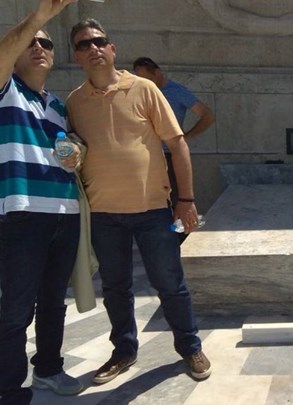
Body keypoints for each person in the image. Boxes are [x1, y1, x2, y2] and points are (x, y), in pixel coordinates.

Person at [65, 18, 211, 385]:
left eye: (99, 41)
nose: (93, 48)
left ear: (112, 49)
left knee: (170, 283)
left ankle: (190, 347)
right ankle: (124, 351)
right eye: (83, 44)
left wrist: (186, 200)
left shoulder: (144, 89)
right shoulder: (74, 102)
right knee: (115, 289)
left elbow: (177, 144)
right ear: (76, 56)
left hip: (153, 211)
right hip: (103, 215)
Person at [0, 1, 84, 403]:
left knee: (54, 302)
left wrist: (76, 154)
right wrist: (40, 17)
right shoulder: (6, 91)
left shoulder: (59, 106)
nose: (38, 47)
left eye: (46, 43)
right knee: (16, 308)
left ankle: (49, 369)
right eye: (30, 42)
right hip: (22, 216)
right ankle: (8, 388)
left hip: (65, 214)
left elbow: (69, 153)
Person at [132, 57, 215, 209]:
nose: (144, 84)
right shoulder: (140, 92)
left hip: (170, 155)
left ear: (157, 73)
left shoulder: (176, 92)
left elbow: (207, 116)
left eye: (147, 79)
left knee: (174, 202)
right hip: (146, 156)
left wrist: (186, 137)